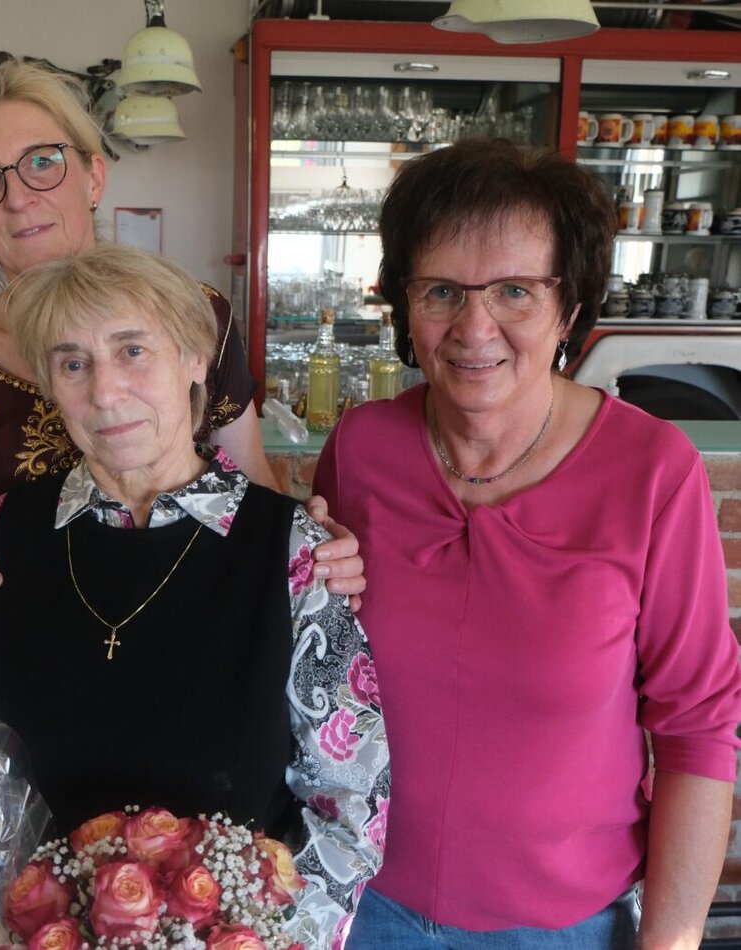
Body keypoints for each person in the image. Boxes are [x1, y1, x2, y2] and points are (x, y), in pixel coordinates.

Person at [312, 138, 741, 949]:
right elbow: (319, 668)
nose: (475, 328)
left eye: (515, 290)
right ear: (404, 303)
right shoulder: (364, 447)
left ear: (569, 307)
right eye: (441, 289)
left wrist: (672, 940)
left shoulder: (651, 472)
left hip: (564, 927)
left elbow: (698, 730)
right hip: (357, 905)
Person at [0, 243, 390, 945]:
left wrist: (260, 939)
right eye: (73, 363)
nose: (105, 392)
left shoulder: (291, 551)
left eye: (133, 351)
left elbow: (350, 800)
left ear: (195, 359)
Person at [0, 59, 363, 616]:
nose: (17, 197)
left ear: (93, 176)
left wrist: (310, 552)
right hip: (13, 656)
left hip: (190, 636)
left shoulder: (197, 315)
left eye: (42, 162)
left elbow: (250, 487)